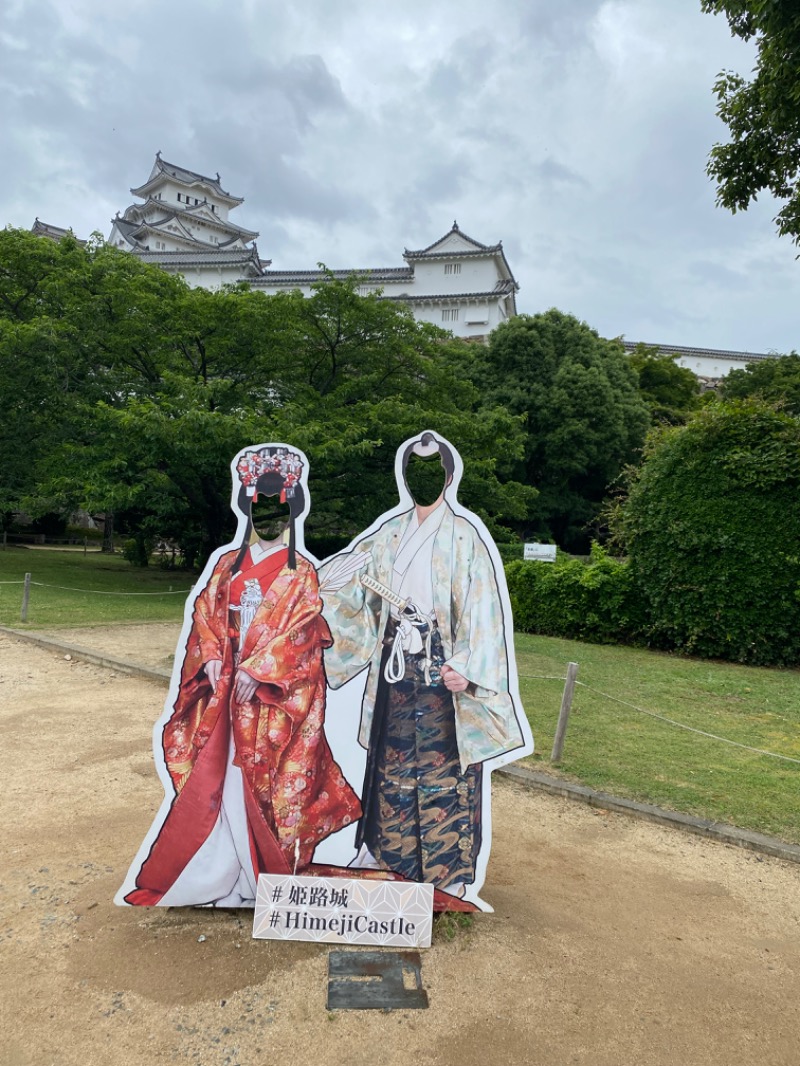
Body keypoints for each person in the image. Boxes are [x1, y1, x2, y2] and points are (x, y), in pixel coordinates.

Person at [119, 445, 360, 907]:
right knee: (217, 779)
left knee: (261, 782)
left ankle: (259, 874)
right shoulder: (228, 564)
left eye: (279, 506)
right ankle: (216, 872)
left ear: (293, 511)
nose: (269, 515)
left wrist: (260, 669)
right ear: (248, 507)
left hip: (265, 698)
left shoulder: (302, 573)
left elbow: (303, 634)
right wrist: (211, 655)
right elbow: (206, 615)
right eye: (261, 504)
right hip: (224, 689)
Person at [319, 431, 530, 903]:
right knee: (390, 758)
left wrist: (466, 665)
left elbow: (483, 610)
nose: (423, 480)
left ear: (449, 475)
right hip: (397, 658)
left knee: (443, 763)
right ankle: (387, 854)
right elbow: (356, 591)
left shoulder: (465, 537)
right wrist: (314, 603)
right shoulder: (390, 534)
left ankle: (447, 871)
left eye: (433, 470)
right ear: (403, 475)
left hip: (442, 663)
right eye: (414, 470)